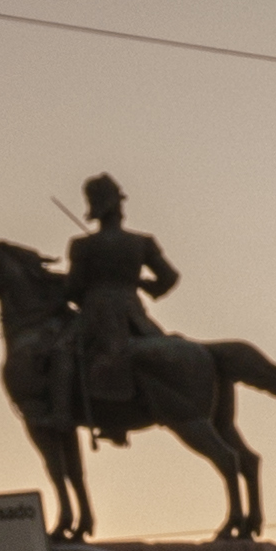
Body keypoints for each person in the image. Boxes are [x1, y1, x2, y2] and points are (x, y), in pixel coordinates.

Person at [64, 173, 180, 436]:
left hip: (96, 312)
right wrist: (145, 285)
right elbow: (169, 278)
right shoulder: (142, 243)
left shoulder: (82, 245)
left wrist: (84, 290)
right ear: (118, 206)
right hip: (133, 312)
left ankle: (62, 414)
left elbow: (72, 289)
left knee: (63, 351)